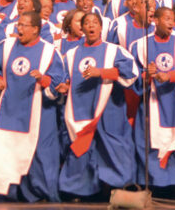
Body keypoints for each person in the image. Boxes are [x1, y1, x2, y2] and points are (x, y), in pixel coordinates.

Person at [0, 10, 66, 202]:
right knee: (4, 151)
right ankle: (2, 194)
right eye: (18, 24)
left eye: (23, 25)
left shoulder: (49, 51)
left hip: (38, 111)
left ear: (36, 29)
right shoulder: (5, 47)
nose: (18, 29)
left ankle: (40, 194)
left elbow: (58, 82)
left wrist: (43, 79)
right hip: (8, 110)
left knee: (40, 156)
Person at [58, 12, 138, 199]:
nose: (91, 26)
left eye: (95, 23)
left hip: (109, 110)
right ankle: (78, 190)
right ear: (82, 28)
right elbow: (65, 79)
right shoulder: (71, 55)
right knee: (81, 149)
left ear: (101, 28)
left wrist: (100, 72)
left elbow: (130, 73)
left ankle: (119, 188)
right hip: (81, 110)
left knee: (114, 148)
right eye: (87, 23)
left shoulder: (114, 50)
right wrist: (63, 86)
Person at [130, 7, 175, 189]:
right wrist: (147, 75)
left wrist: (170, 76)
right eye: (167, 18)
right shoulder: (139, 46)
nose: (171, 22)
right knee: (151, 145)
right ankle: (159, 186)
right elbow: (132, 76)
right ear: (156, 20)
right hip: (152, 104)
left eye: (173, 19)